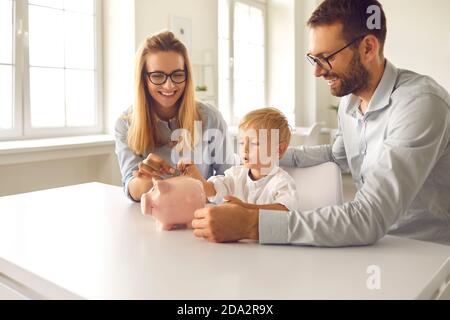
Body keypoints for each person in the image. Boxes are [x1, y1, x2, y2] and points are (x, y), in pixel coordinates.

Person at [191, 0, 450, 246]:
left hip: (426, 254)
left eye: (327, 57)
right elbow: (337, 156)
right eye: (314, 58)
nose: (317, 71)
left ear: (368, 48)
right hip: (373, 245)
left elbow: (369, 217)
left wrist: (252, 225)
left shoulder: (419, 104)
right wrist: (266, 154)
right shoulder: (350, 104)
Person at [115, 31, 236, 202]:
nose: (169, 85)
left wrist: (202, 185)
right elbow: (130, 186)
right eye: (157, 76)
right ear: (144, 79)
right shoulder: (125, 124)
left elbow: (231, 180)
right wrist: (147, 179)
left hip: (201, 216)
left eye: (177, 75)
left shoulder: (210, 118)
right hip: (153, 217)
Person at [181, 108, 299, 212]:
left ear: (279, 150)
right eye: (241, 142)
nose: (245, 149)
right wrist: (194, 174)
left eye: (254, 143)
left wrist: (244, 208)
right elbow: (211, 190)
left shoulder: (282, 182)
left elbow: (285, 210)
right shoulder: (235, 175)